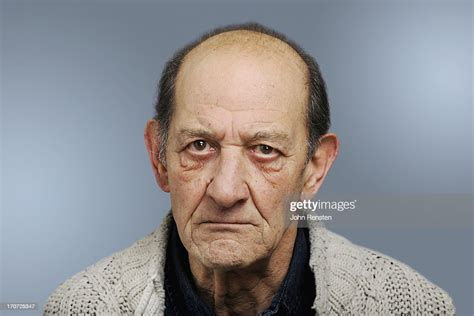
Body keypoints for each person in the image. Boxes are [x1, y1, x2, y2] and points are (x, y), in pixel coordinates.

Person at [44, 23, 455, 315]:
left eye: (264, 150)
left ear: (314, 168)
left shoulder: (412, 306)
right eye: (200, 146)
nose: (226, 191)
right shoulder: (79, 306)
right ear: (159, 157)